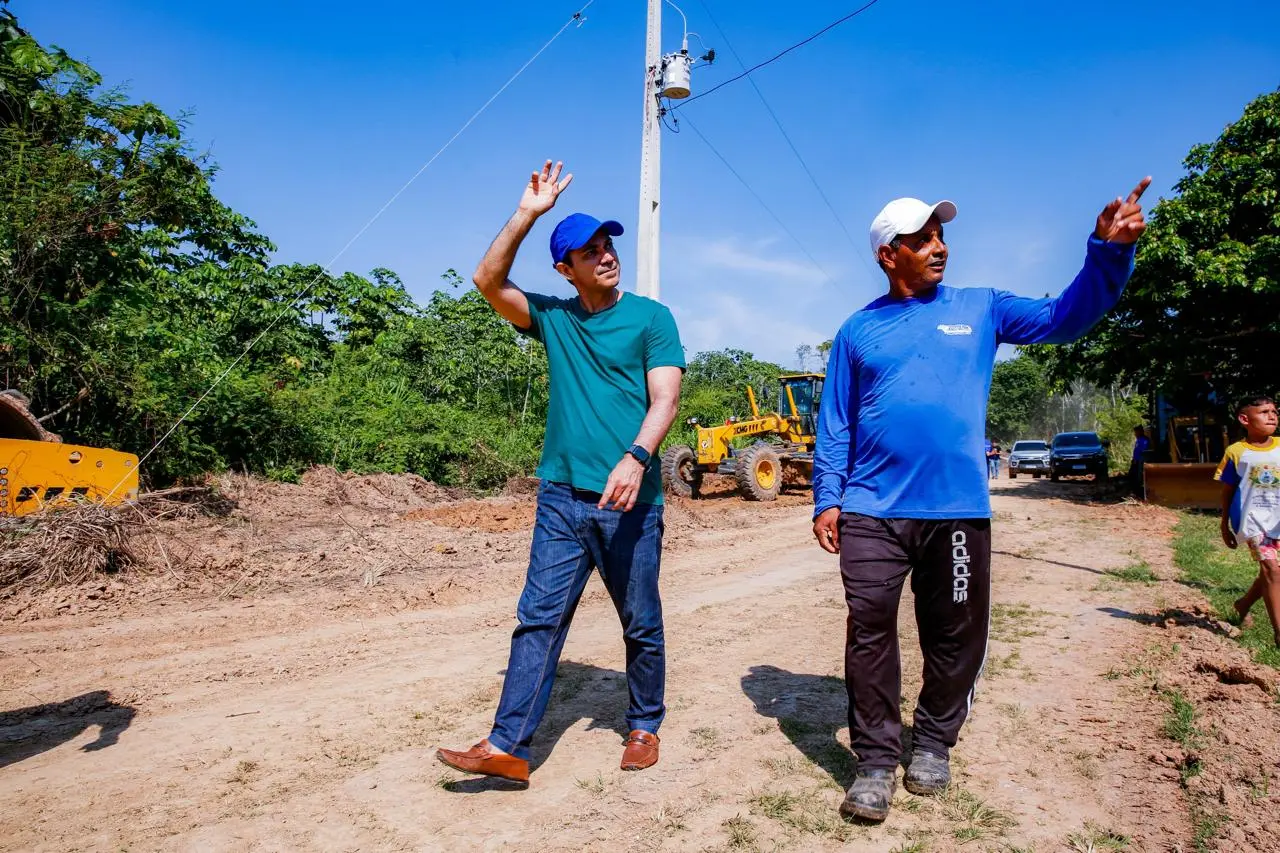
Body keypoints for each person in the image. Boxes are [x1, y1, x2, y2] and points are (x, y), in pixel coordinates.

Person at [812, 177, 1150, 822]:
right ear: (888, 254)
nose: (938, 247)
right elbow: (836, 424)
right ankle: (876, 761)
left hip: (957, 510)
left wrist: (1108, 253)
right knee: (869, 631)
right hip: (872, 509)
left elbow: (1064, 318)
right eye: (921, 239)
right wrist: (827, 498)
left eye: (940, 236)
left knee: (955, 634)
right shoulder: (858, 330)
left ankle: (933, 742)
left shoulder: (982, 307)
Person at [436, 161, 685, 786]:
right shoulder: (553, 317)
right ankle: (507, 746)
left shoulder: (652, 318)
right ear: (565, 269)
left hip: (630, 501)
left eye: (608, 245)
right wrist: (528, 212)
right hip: (560, 500)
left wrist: (637, 457)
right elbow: (487, 280)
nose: (606, 256)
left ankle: (644, 725)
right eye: (589, 251)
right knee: (538, 620)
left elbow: (665, 399)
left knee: (640, 622)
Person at [1216, 395, 1280, 647]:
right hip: (1252, 521)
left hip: (1277, 519)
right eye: (1264, 412)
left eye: (1274, 411)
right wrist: (1224, 524)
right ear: (1244, 419)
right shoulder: (1236, 452)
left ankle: (1243, 604)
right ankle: (1279, 634)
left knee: (1274, 572)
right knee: (1271, 569)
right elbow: (1227, 490)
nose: (1272, 416)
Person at [1129, 425, 1151, 497]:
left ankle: (1139, 493)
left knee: (1139, 477)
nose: (1135, 434)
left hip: (1140, 461)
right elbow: (1136, 451)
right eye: (1135, 432)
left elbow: (1143, 451)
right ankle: (1134, 491)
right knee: (1132, 476)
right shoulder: (1139, 440)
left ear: (1140, 431)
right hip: (1136, 461)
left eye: (1136, 432)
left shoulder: (1144, 440)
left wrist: (1137, 460)